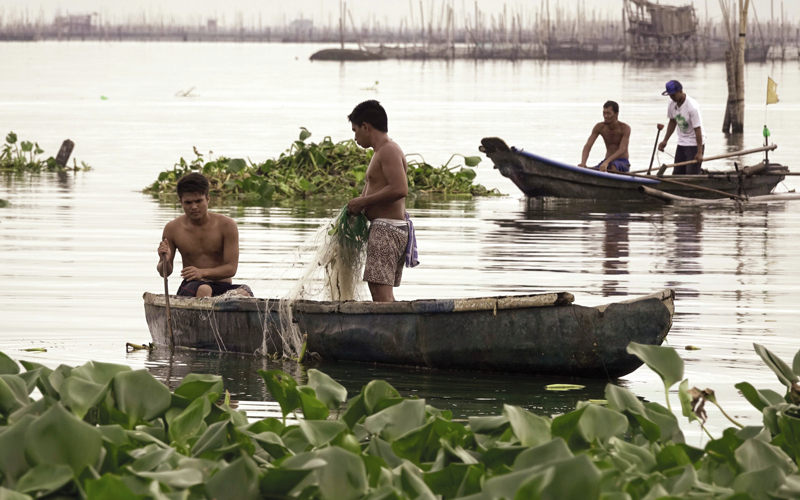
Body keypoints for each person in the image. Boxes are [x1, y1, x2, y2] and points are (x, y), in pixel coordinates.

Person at [346, 100, 418, 302]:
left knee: (380, 292)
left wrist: (363, 201)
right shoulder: (381, 151)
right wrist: (359, 205)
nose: (355, 137)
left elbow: (400, 189)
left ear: (366, 127)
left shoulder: (388, 150)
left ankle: (392, 332)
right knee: (381, 292)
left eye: (355, 130)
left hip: (387, 230)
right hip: (387, 228)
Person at [156, 172, 251, 298]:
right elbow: (165, 273)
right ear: (181, 202)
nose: (194, 207)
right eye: (188, 203)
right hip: (192, 286)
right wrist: (165, 261)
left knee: (245, 292)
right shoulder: (172, 229)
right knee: (204, 289)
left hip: (222, 285)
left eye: (198, 201)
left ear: (207, 198)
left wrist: (202, 272)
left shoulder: (227, 225)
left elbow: (231, 268)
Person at [657, 80, 705, 175]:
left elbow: (697, 130)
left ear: (680, 91)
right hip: (682, 143)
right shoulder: (671, 103)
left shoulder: (692, 107)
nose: (672, 97)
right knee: (677, 173)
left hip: (694, 144)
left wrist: (699, 152)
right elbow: (672, 121)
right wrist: (665, 140)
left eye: (673, 95)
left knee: (691, 175)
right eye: (670, 95)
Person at [577, 101, 631, 173]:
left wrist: (607, 162)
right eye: (604, 113)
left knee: (613, 166)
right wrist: (583, 163)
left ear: (616, 114)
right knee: (589, 172)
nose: (605, 116)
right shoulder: (600, 127)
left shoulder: (624, 128)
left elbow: (622, 149)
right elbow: (588, 146)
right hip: (607, 160)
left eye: (608, 113)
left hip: (622, 162)